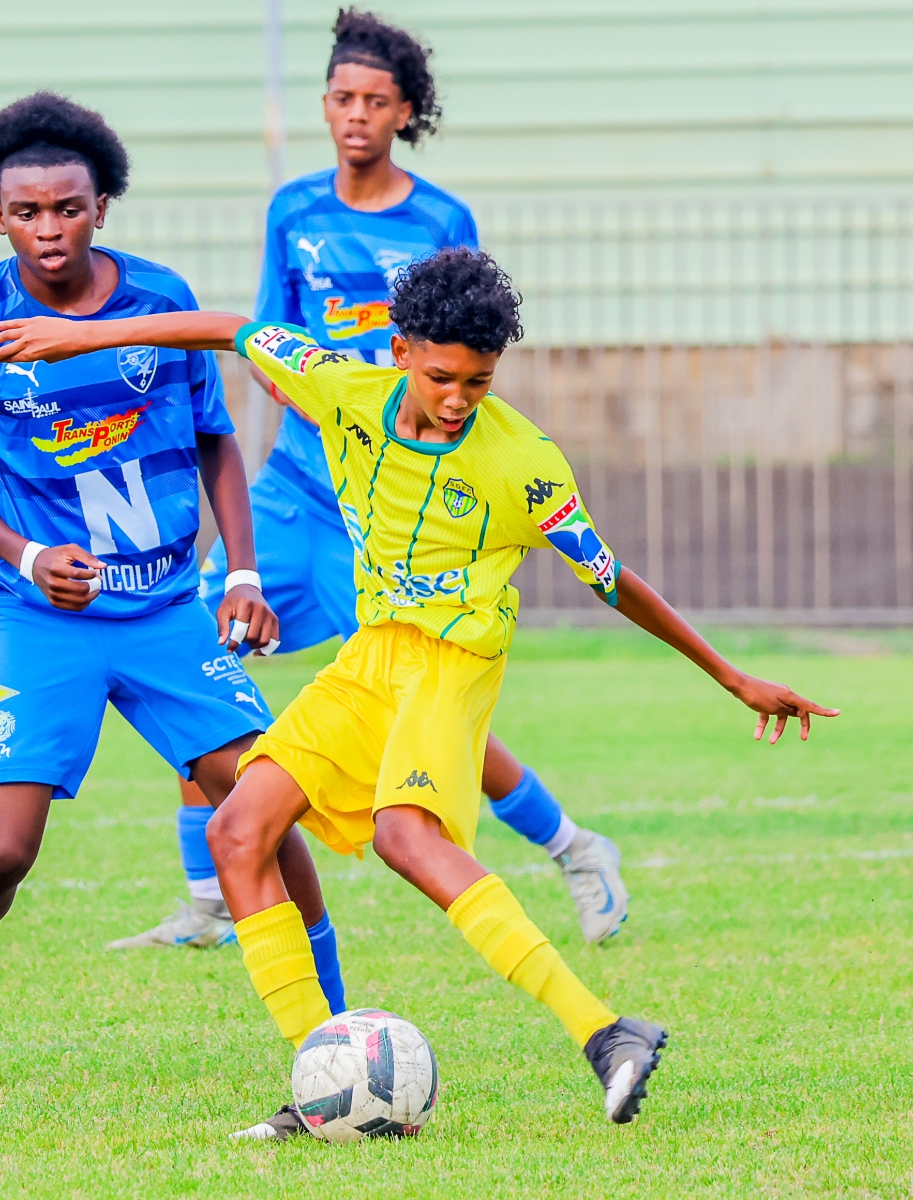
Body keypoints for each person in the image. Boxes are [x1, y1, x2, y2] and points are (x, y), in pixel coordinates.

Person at [0, 247, 840, 1135]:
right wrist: (82, 337)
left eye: (480, 380)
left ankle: (605, 1031)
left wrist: (733, 676)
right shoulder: (341, 389)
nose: (460, 398)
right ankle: (323, 1084)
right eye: (442, 377)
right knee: (237, 831)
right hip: (372, 657)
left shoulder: (525, 463)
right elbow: (233, 330)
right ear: (399, 352)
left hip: (452, 662)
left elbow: (611, 579)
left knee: (404, 835)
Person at [112, 8, 628, 957]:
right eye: (343, 97)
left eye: (376, 101)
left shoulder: (441, 221)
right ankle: (208, 896)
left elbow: (457, 346)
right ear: (324, 105)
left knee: (419, 713)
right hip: (295, 487)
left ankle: (573, 846)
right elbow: (262, 332)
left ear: (405, 114)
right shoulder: (293, 209)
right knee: (199, 653)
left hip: (391, 516)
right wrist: (312, 392)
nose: (357, 114)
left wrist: (391, 420)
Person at [0, 92, 347, 1082]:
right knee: (3, 849)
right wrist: (28, 557)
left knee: (262, 804)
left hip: (166, 609)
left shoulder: (160, 301)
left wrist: (242, 570)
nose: (49, 229)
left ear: (101, 207)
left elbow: (217, 441)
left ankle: (337, 1030)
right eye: (26, 213)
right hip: (38, 614)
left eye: (68, 208)